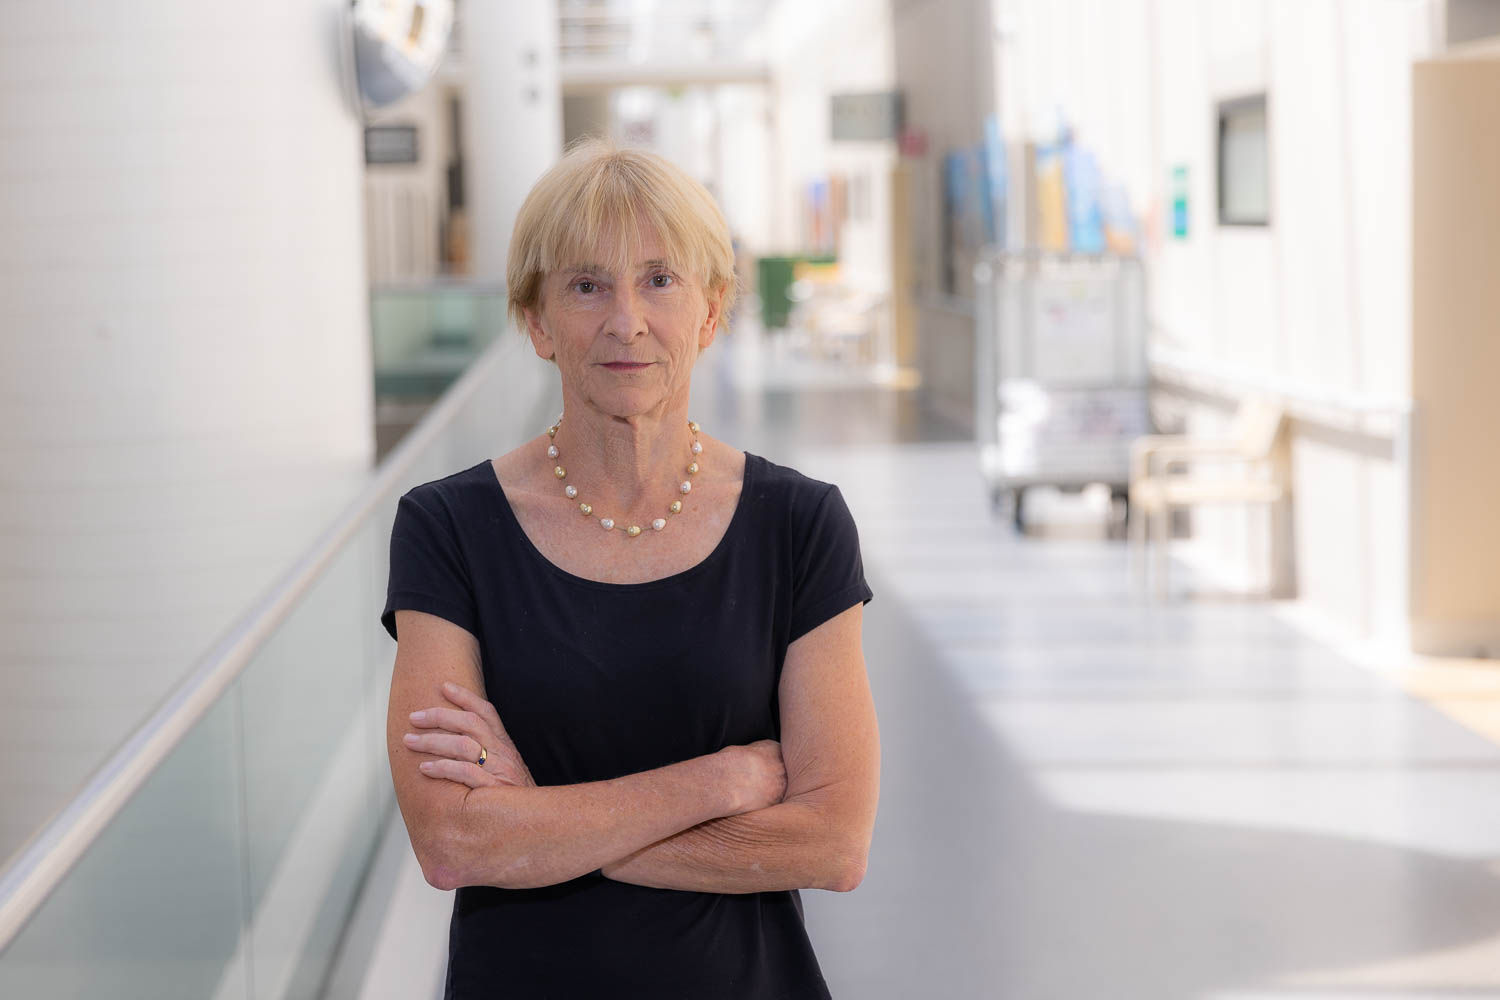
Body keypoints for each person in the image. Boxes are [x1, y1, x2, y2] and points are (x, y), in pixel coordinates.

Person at [380, 136, 880, 999]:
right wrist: (725, 780)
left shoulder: (800, 524)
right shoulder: (448, 527)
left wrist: (539, 827)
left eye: (659, 280)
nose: (626, 321)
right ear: (537, 322)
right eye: (585, 286)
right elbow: (455, 843)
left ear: (712, 312)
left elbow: (831, 845)